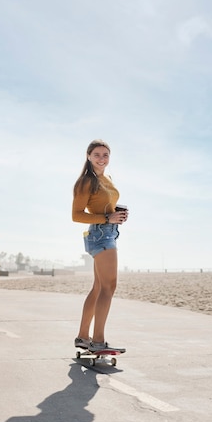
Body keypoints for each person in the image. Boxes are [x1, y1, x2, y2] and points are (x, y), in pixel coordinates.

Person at [72, 140, 128, 352]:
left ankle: (83, 337)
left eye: (105, 155)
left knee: (98, 288)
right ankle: (98, 341)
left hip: (109, 232)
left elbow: (106, 208)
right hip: (101, 235)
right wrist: (107, 217)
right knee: (108, 287)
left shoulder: (106, 178)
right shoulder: (86, 181)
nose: (101, 158)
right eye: (97, 155)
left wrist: (116, 216)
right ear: (88, 156)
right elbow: (76, 215)